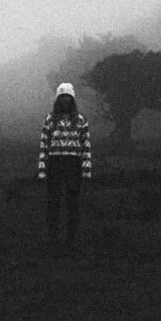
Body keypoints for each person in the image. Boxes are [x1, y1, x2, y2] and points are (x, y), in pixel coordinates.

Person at [37, 82, 92, 245]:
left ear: (72, 99)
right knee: (53, 201)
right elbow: (43, 144)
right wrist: (41, 169)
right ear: (57, 99)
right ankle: (53, 236)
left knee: (72, 202)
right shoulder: (49, 120)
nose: (65, 101)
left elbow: (86, 145)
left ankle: (71, 238)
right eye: (62, 97)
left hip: (73, 164)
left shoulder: (81, 120)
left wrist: (86, 169)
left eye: (68, 97)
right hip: (55, 163)